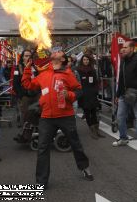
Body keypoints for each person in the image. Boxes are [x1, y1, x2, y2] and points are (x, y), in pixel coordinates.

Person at [22, 50, 94, 188]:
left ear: (61, 59)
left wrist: (70, 95)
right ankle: (41, 182)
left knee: (75, 144)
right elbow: (28, 85)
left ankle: (85, 168)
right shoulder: (44, 73)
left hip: (65, 116)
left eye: (59, 53)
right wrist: (26, 68)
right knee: (42, 148)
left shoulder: (67, 74)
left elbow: (79, 90)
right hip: (46, 117)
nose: (55, 53)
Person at [113, 41, 137, 146]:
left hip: (135, 93)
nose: (123, 49)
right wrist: (117, 95)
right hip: (123, 94)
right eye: (123, 47)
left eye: (126, 47)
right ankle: (123, 138)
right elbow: (121, 79)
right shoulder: (123, 60)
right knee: (120, 116)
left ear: (132, 48)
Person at [13, 50, 39, 141]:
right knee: (26, 115)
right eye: (26, 55)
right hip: (25, 96)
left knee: (36, 114)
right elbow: (15, 84)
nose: (28, 57)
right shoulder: (18, 68)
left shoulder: (34, 67)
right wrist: (22, 95)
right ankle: (25, 135)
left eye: (29, 55)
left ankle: (35, 134)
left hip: (35, 95)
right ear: (23, 57)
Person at [77, 55, 105, 139]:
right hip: (83, 94)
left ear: (89, 61)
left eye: (87, 60)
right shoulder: (78, 70)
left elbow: (96, 82)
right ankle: (92, 130)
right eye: (84, 60)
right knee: (87, 112)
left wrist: (96, 91)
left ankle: (97, 130)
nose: (86, 61)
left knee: (94, 111)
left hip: (92, 93)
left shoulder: (92, 70)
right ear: (82, 61)